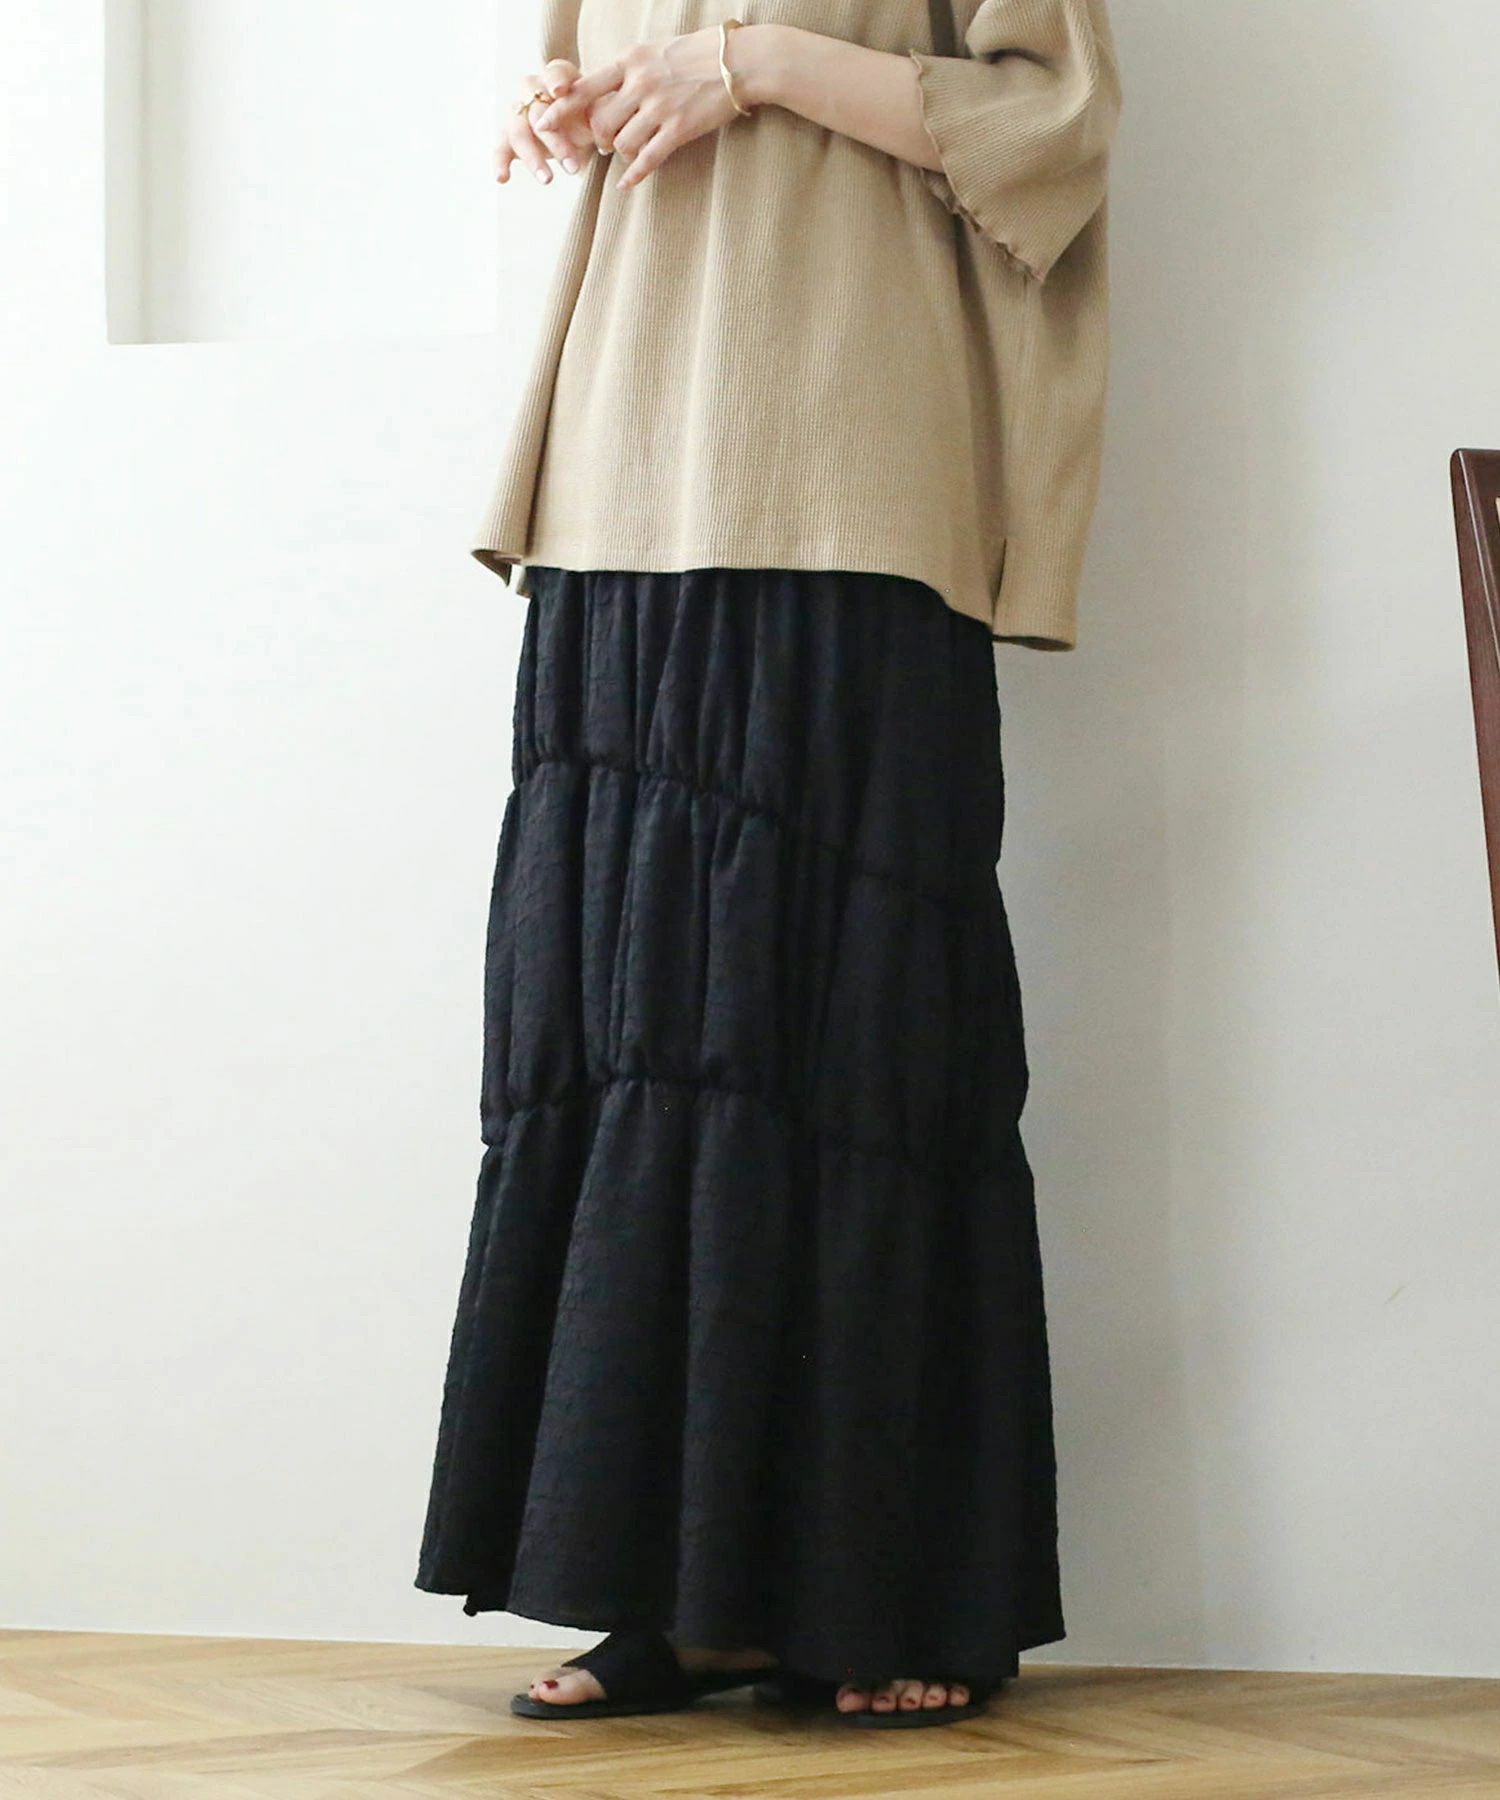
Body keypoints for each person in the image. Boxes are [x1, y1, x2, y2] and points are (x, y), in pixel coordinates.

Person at [415, 0, 1122, 1730]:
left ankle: (887, 1594)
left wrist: (755, 63)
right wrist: (568, 101)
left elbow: (1056, 123)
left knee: (857, 1047)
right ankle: (681, 1599)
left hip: (852, 476)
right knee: (640, 1043)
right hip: (624, 482)